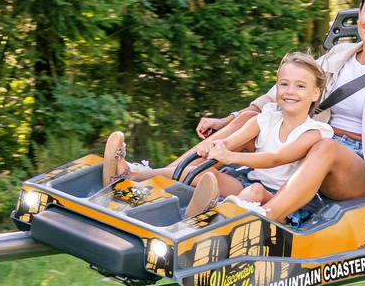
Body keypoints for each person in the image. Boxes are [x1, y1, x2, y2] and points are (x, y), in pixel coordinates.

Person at [198, 0, 365, 222]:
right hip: (313, 141)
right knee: (252, 119)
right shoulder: (339, 54)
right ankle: (177, 176)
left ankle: (263, 218)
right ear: (360, 12)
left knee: (325, 147)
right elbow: (291, 87)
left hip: (360, 164)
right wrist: (232, 117)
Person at [102, 52, 333, 217]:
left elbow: (276, 158)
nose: (290, 92)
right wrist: (212, 147)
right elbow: (229, 142)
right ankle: (132, 175)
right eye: (284, 84)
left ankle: (209, 216)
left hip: (282, 202)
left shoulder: (314, 132)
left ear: (315, 94)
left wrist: (231, 157)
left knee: (255, 191)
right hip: (249, 184)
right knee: (206, 173)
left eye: (300, 86)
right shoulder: (265, 118)